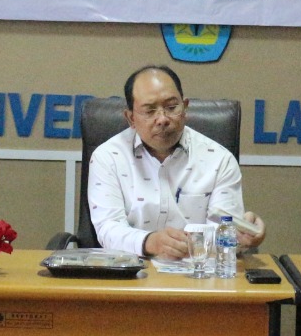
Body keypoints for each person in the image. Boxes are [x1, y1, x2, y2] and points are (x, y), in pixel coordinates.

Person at [87, 64, 265, 258]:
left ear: (185, 108)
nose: (162, 119)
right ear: (130, 118)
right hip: (130, 270)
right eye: (150, 111)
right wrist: (149, 242)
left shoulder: (219, 160)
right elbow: (108, 229)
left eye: (171, 108)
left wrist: (241, 237)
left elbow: (224, 235)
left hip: (197, 271)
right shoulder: (108, 157)